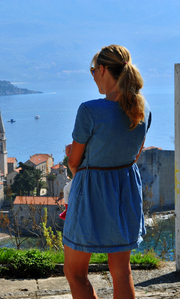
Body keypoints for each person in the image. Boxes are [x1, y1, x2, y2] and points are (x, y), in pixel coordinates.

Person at [62, 45, 151, 299]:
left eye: (93, 70)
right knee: (122, 271)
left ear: (103, 70)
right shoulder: (143, 110)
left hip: (90, 195)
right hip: (125, 193)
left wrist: (73, 155)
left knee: (75, 272)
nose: (92, 76)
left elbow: (75, 163)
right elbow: (132, 156)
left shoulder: (89, 110)